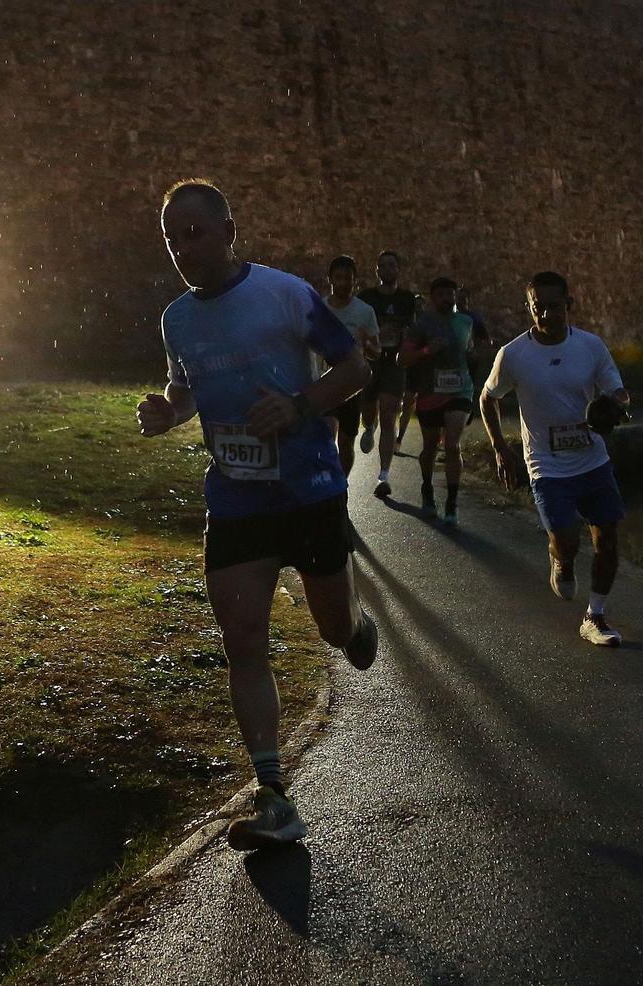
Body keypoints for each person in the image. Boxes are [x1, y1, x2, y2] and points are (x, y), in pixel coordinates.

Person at [136, 179, 378, 851]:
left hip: (308, 491)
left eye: (195, 233)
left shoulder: (284, 294)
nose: (184, 249)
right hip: (237, 501)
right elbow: (183, 390)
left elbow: (354, 367)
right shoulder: (176, 319)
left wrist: (300, 406)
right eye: (171, 238)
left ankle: (355, 624)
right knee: (243, 642)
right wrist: (167, 412)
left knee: (333, 631)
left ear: (228, 230)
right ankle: (274, 795)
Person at [481, 271, 631, 647]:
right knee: (566, 543)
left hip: (593, 461)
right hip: (546, 468)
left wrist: (614, 406)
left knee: (608, 539)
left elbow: (620, 393)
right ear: (528, 308)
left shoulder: (591, 346)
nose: (546, 314)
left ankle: (595, 616)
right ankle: (560, 560)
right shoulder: (513, 354)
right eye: (538, 307)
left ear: (569, 305)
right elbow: (488, 398)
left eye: (553, 306)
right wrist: (501, 448)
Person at [399, 277, 475, 527]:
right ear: (432, 298)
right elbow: (402, 359)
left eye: (450, 294)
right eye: (441, 294)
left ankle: (452, 503)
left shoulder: (466, 322)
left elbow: (471, 351)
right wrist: (426, 351)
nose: (446, 298)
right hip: (430, 393)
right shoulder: (422, 325)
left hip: (461, 391)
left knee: (452, 445)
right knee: (430, 447)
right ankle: (427, 489)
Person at [357, 251, 417, 498]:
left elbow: (412, 329)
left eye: (392, 265)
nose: (387, 269)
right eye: (382, 265)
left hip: (394, 362)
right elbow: (359, 326)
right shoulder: (367, 298)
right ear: (376, 270)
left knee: (390, 413)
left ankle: (384, 475)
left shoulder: (407, 299)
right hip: (371, 359)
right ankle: (369, 426)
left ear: (399, 269)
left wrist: (408, 350)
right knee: (369, 409)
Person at [320, 255, 380, 477]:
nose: (344, 283)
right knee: (326, 437)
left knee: (346, 443)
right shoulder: (319, 309)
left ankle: (342, 485)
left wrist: (368, 345)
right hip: (323, 381)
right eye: (339, 278)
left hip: (351, 385)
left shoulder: (365, 312)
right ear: (330, 279)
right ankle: (327, 488)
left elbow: (376, 352)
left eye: (348, 278)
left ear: (355, 281)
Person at [458, 286, 497, 417]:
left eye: (464, 298)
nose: (461, 300)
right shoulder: (453, 317)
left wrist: (478, 350)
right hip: (455, 356)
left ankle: (467, 409)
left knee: (469, 383)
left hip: (470, 355)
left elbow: (484, 335)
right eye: (459, 298)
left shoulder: (473, 317)